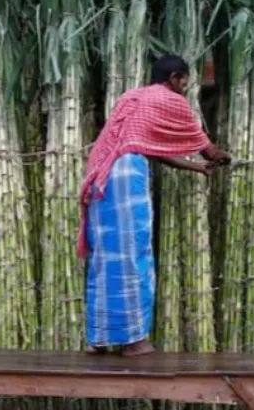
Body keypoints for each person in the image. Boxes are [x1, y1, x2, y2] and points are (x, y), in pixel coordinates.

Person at [78, 54, 231, 357]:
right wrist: (218, 156)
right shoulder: (169, 100)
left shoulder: (132, 98)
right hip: (124, 180)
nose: (186, 88)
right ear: (175, 77)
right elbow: (205, 146)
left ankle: (98, 337)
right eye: (185, 81)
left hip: (99, 177)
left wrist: (196, 168)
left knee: (105, 258)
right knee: (133, 254)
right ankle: (133, 340)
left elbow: (150, 147)